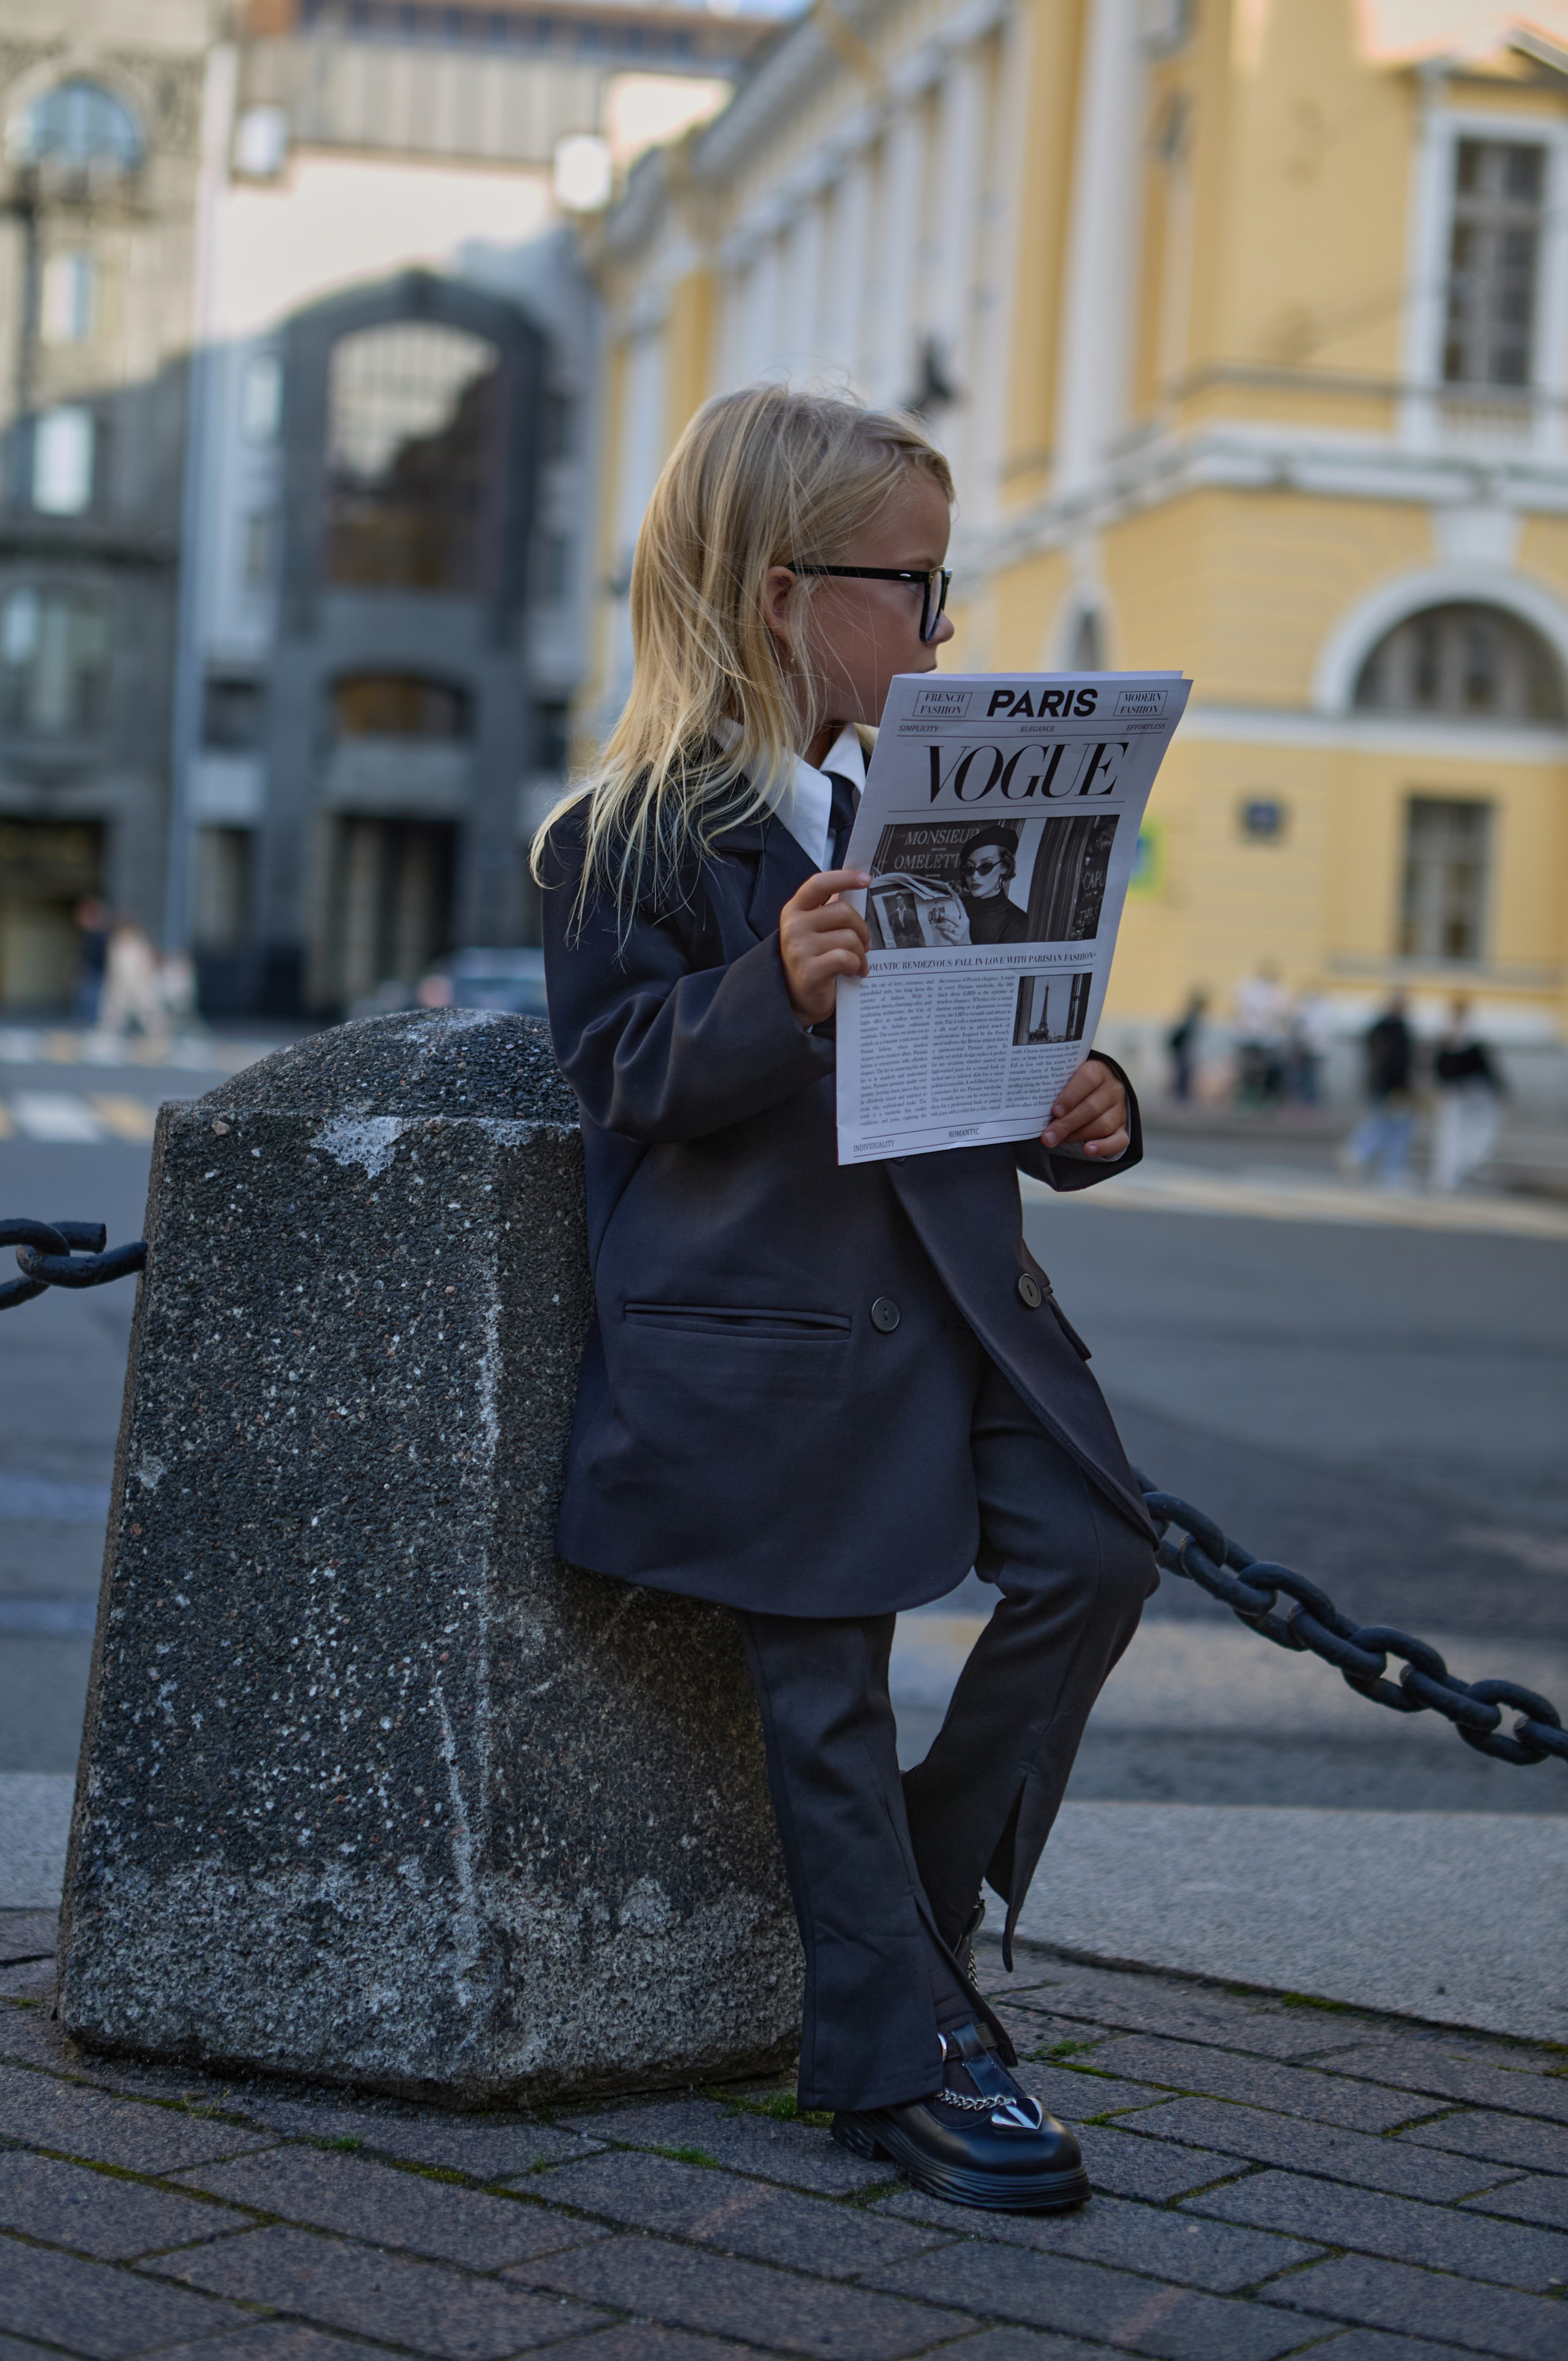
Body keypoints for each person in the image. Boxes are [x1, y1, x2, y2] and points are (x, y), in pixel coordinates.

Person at [536, 386, 1160, 2217]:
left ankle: (916, 1915)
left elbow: (975, 1052)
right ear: (780, 592)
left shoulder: (924, 807)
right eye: (916, 584)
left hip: (957, 1305)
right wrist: (775, 992)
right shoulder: (623, 833)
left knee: (1095, 1554)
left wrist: (1078, 1102)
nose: (944, 627)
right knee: (826, 1687)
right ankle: (900, 2056)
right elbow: (619, 1070)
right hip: (762, 1342)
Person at [1431, 998, 1506, 1193]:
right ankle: (1449, 1177)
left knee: (1461, 1134)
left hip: (1471, 1094)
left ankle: (1456, 1173)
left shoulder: (1461, 1039)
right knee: (1453, 1135)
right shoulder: (1459, 1039)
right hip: (1458, 1095)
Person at [1344, 991, 1414, 1188]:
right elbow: (1397, 1063)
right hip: (1393, 1088)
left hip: (1379, 1084)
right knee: (1395, 1129)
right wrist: (1400, 1088)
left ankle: (1359, 1153)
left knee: (1383, 1123)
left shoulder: (1378, 1029)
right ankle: (1384, 1166)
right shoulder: (1398, 1030)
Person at [938, 828, 1031, 945]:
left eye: (986, 866)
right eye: (969, 868)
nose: (975, 876)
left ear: (1005, 867)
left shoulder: (1017, 920)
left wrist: (965, 945)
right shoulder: (955, 906)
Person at [1233, 963, 1289, 1104]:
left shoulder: (1276, 991)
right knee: (1251, 1068)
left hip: (1265, 1038)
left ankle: (1263, 1096)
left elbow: (1280, 1013)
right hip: (1253, 1036)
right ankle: (1250, 1096)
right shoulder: (1251, 988)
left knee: (1263, 1068)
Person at [72, 896, 111, 1028]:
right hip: (92, 972)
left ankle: (92, 1025)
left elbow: (102, 956)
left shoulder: (101, 934)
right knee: (86, 998)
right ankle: (87, 1023)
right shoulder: (91, 934)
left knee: (93, 999)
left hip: (98, 972)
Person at [1165, 989, 1208, 1101]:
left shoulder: (1190, 1015)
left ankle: (1180, 1093)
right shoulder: (1193, 1017)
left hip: (1181, 1047)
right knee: (1183, 1070)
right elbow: (1188, 1034)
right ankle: (1181, 1093)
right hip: (1182, 1047)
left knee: (1182, 1070)